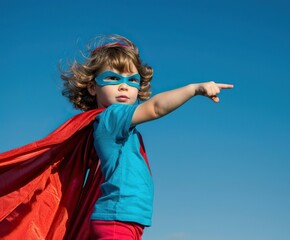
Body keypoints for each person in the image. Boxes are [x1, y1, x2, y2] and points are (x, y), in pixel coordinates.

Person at [0, 34, 233, 240]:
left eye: (132, 81)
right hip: (116, 219)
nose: (124, 87)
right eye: (113, 79)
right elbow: (155, 109)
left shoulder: (119, 125)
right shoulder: (112, 118)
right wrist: (194, 89)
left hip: (125, 219)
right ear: (93, 88)